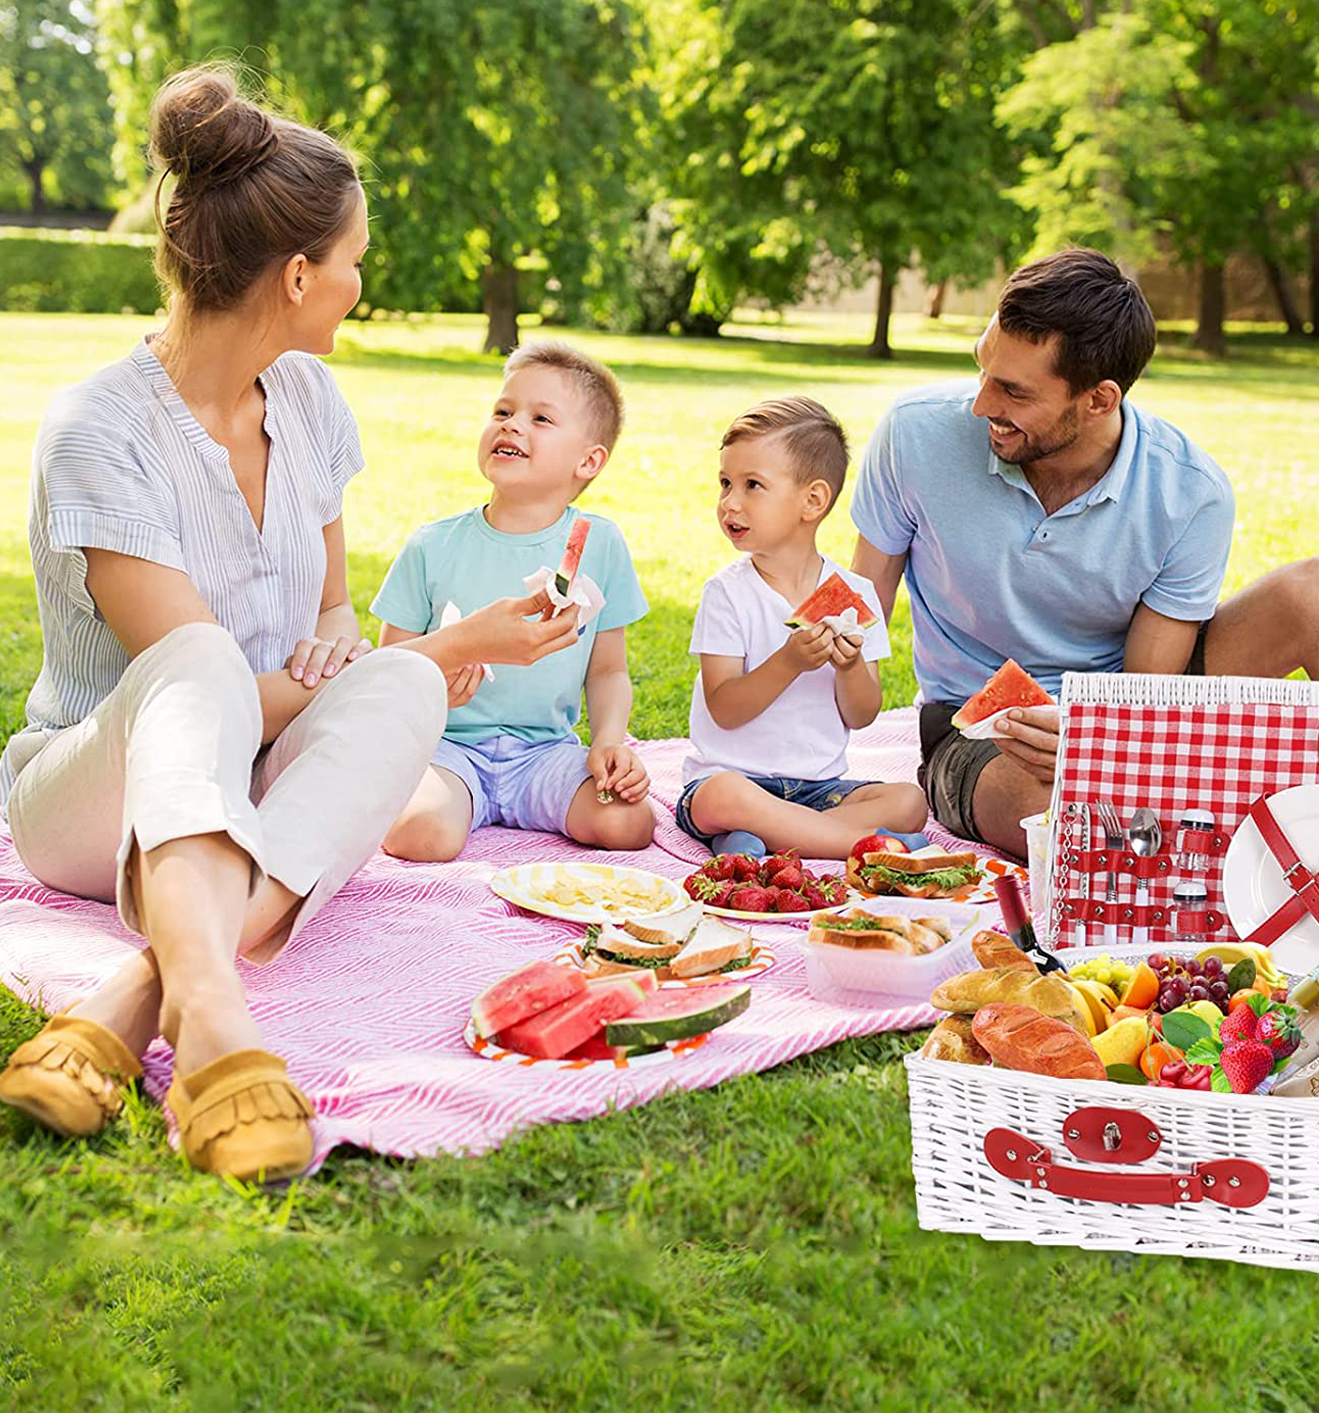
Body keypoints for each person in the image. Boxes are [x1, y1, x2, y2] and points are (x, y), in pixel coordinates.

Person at [0, 66, 581, 1179]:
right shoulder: (97, 430)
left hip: (257, 781)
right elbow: (189, 686)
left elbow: (328, 614)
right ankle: (216, 1019)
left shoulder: (310, 402)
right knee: (213, 656)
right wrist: (455, 647)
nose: (362, 282)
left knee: (404, 689)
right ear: (301, 274)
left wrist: (381, 660)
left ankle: (144, 990)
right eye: (356, 263)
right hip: (96, 799)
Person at [850, 247, 1319, 907]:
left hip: (1133, 706)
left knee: (1317, 589)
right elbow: (856, 617)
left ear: (1100, 398)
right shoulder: (913, 437)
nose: (979, 403)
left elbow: (1150, 695)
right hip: (979, 735)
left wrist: (1093, 734)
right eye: (983, 368)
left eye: (1015, 392)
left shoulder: (1187, 490)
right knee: (1081, 831)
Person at [372, 341, 654, 861]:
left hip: (546, 754)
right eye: (502, 411)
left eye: (541, 418)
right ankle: (440, 802)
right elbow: (389, 669)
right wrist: (442, 672)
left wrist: (609, 741)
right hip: (447, 750)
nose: (511, 424)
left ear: (589, 461)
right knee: (422, 834)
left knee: (630, 822)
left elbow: (608, 671)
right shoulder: (432, 545)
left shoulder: (601, 544)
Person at [675, 397, 929, 859]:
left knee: (909, 802)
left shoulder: (854, 593)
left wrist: (851, 666)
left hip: (818, 789)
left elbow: (862, 714)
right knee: (724, 798)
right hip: (731, 779)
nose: (730, 502)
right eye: (725, 483)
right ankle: (866, 846)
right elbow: (725, 709)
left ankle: (767, 840)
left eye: (753, 485)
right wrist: (789, 662)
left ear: (812, 500)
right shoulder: (726, 593)